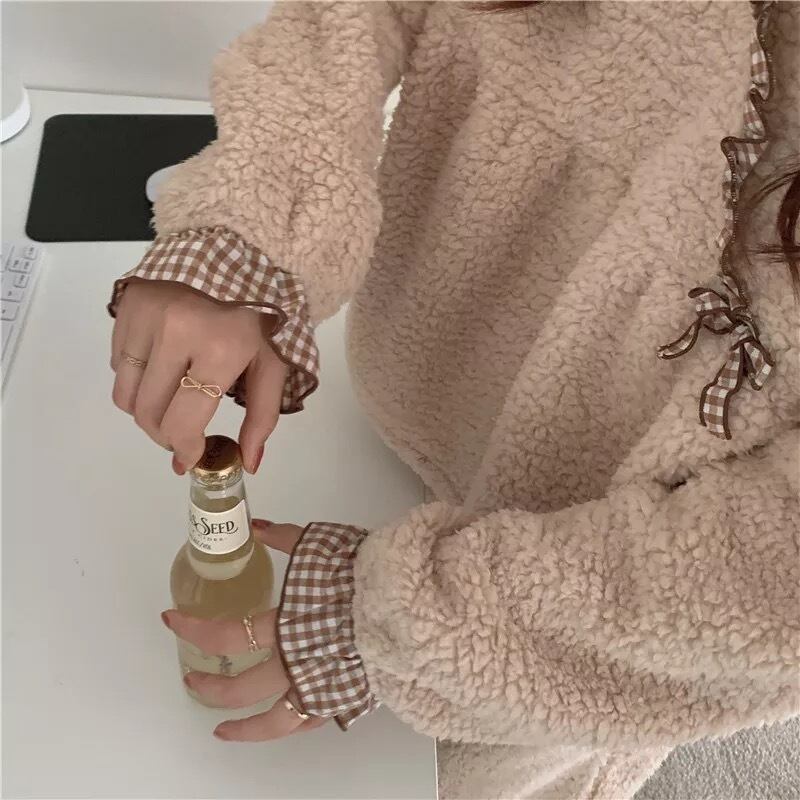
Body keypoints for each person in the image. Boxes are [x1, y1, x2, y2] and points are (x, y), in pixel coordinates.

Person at [108, 2, 799, 798]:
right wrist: (249, 221)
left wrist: (404, 621)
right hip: (395, 399)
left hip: (588, 603)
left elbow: (773, 585)